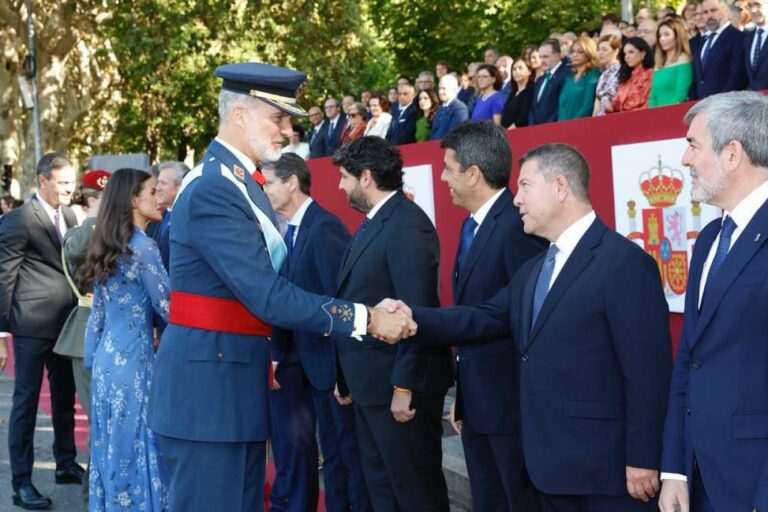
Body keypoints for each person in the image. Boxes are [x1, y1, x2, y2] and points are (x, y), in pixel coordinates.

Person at [146, 62, 412, 512]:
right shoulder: (216, 188)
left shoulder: (237, 183)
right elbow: (267, 294)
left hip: (228, 385)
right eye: (278, 118)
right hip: (209, 397)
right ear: (239, 116)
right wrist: (365, 318)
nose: (287, 131)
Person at [389, 142, 673, 512]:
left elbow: (648, 375)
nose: (516, 199)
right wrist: (411, 318)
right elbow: (484, 316)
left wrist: (644, 458)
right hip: (545, 470)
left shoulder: (624, 264)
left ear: (559, 187)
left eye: (525, 187)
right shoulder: (534, 270)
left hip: (608, 474)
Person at [658, 91, 768, 512]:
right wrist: (674, 470)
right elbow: (690, 357)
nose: (684, 160)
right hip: (698, 480)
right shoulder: (707, 240)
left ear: (733, 154)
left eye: (693, 145)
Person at [332, 136, 453, 512]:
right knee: (383, 490)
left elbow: (415, 311)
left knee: (415, 492)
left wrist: (404, 386)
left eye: (345, 178)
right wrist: (345, 377)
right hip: (371, 387)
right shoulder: (375, 222)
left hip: (398, 391)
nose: (341, 186)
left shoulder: (406, 226)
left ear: (366, 177)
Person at [439, 122, 546, 511]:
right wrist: (464, 398)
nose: (442, 177)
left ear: (472, 174)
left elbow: (516, 317)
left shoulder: (518, 225)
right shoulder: (473, 224)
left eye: (448, 168)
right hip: (478, 405)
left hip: (511, 409)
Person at [262, 154, 371, 512]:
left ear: (292, 183)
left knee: (346, 456)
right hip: (311, 366)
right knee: (335, 457)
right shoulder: (293, 230)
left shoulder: (324, 228)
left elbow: (340, 303)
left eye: (270, 183)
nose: (265, 191)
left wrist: (343, 374)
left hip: (331, 370)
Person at [78, 168, 168, 511]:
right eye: (152, 191)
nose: (158, 198)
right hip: (134, 363)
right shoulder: (144, 248)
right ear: (133, 200)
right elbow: (169, 307)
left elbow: (97, 315)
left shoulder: (108, 244)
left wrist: (92, 360)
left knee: (111, 445)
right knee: (136, 444)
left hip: (105, 363)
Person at [0, 152, 83, 510]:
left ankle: (65, 464)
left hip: (64, 324)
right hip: (31, 327)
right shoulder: (19, 220)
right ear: (43, 180)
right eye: (63, 183)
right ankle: (22, 483)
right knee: (27, 403)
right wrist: (1, 335)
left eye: (71, 182)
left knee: (65, 399)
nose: (70, 189)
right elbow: (4, 278)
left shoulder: (67, 214)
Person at [52, 168, 110, 510]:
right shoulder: (82, 232)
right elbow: (75, 254)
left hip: (118, 330)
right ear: (91, 200)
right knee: (99, 420)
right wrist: (97, 218)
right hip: (87, 329)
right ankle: (93, 497)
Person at [689, 0, 747, 100]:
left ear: (725, 10)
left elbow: (737, 77)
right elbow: (697, 79)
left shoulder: (738, 38)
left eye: (713, 10)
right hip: (701, 107)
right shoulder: (701, 42)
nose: (709, 15)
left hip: (725, 106)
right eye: (705, 12)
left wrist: (717, 102)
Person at [152, 161, 189, 271]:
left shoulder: (187, 218)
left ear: (180, 186)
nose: (157, 188)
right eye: (158, 182)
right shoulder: (165, 215)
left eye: (163, 183)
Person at [649, 17, 694, 107]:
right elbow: (653, 94)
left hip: (673, 113)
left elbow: (680, 94)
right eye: (660, 35)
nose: (662, 38)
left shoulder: (684, 59)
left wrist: (667, 114)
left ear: (677, 37)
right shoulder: (659, 62)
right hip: (655, 114)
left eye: (666, 34)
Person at [606, 37, 655, 113]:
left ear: (643, 53)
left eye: (631, 52)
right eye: (625, 54)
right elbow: (616, 105)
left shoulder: (651, 74)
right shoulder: (626, 78)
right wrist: (609, 106)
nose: (627, 57)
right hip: (623, 121)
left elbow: (649, 102)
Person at [558, 35, 601, 121]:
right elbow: (562, 107)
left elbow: (588, 105)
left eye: (580, 52)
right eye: (573, 51)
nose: (575, 54)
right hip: (562, 127)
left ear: (589, 53)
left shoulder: (593, 74)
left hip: (581, 126)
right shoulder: (569, 78)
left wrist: (573, 124)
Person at [529, 38, 571, 125]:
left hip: (554, 129)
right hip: (536, 131)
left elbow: (562, 105)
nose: (542, 61)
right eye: (540, 57)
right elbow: (533, 107)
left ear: (557, 56)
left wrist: (548, 126)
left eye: (545, 57)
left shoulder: (566, 75)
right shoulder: (540, 80)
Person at [430, 74, 469, 140]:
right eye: (439, 88)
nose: (440, 92)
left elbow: (454, 136)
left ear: (453, 89)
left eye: (444, 88)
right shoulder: (441, 108)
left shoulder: (460, 109)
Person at [501, 59, 535, 129]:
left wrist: (508, 131)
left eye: (520, 68)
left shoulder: (531, 89)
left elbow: (524, 116)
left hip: (519, 133)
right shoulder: (513, 92)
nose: (517, 71)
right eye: (514, 69)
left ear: (529, 71)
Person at [593, 34, 622, 116]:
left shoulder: (621, 71)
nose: (600, 53)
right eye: (598, 49)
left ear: (616, 51)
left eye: (604, 49)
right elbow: (598, 101)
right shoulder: (602, 74)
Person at [746, 0, 768, 91]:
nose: (753, 10)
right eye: (750, 6)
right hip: (753, 101)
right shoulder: (747, 38)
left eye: (758, 5)